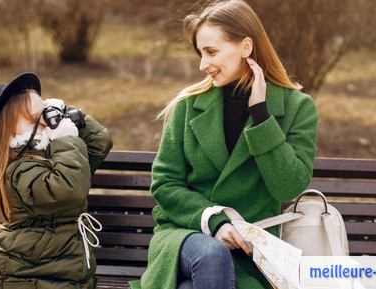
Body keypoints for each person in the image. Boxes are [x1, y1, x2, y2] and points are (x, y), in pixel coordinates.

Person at [130, 1, 318, 289]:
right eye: (200, 53)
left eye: (211, 52)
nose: (203, 65)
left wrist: (261, 115)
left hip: (251, 253)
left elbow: (288, 187)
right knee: (213, 254)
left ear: (245, 47)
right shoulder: (187, 106)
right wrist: (214, 220)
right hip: (186, 233)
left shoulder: (297, 107)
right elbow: (166, 184)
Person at [0, 72, 112, 289]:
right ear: (12, 130)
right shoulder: (19, 169)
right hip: (24, 278)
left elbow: (99, 144)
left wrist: (70, 114)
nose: (47, 120)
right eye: (37, 116)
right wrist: (66, 139)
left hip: (55, 271)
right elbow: (67, 190)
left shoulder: (49, 154)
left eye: (46, 111)